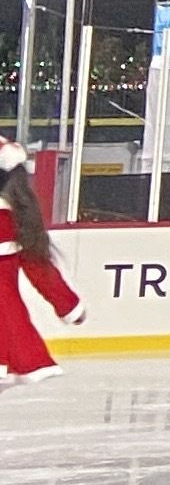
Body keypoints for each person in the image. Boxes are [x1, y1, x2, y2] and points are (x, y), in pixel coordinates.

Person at [0, 139, 81, 380]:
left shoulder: (6, 222)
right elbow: (39, 268)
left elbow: (38, 267)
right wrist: (68, 306)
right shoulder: (15, 220)